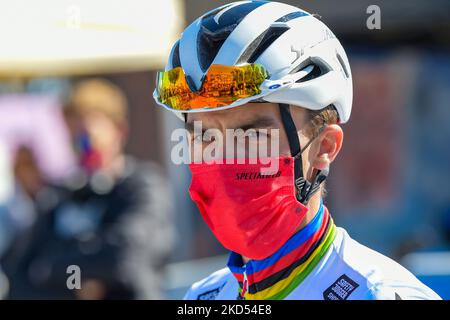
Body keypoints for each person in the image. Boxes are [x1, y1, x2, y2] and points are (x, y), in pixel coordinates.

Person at [153, 1, 441, 300]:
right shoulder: (203, 296)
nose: (223, 157)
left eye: (252, 135)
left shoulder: (380, 294)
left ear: (324, 148)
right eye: (204, 136)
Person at [5, 79, 174, 299]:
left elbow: (126, 258)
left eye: (89, 138)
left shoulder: (142, 187)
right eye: (75, 139)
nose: (83, 148)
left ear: (119, 131)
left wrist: (55, 268)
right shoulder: (59, 196)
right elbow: (20, 271)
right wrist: (76, 282)